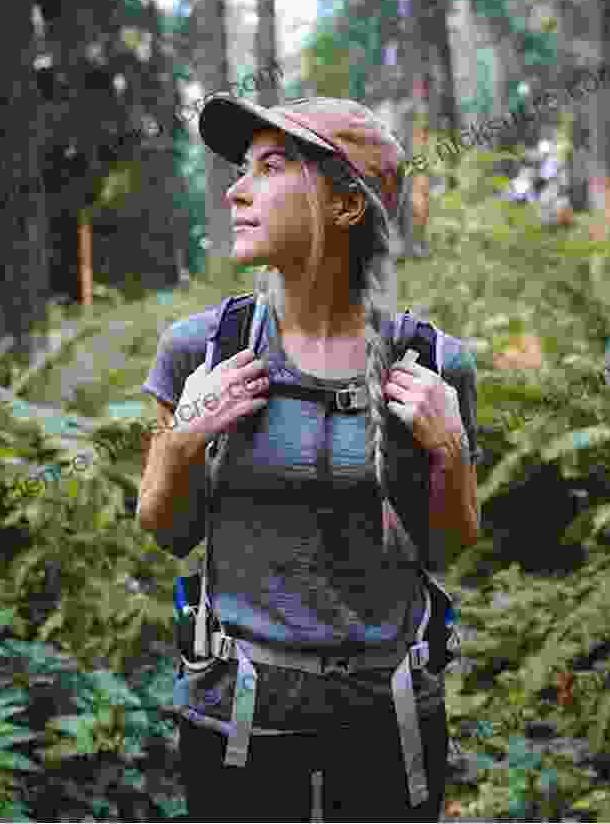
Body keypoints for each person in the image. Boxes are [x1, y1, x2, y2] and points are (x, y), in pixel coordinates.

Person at [137, 95, 480, 822]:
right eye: (241, 169)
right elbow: (165, 529)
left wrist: (449, 447)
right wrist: (184, 438)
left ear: (347, 207)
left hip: (391, 720)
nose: (236, 190)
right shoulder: (204, 349)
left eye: (270, 167)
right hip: (238, 718)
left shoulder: (433, 363)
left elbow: (449, 547)